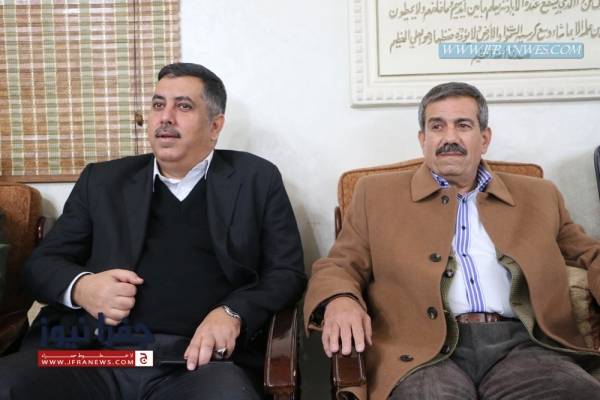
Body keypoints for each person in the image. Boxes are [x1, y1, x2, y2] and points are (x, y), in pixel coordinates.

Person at [0, 62, 306, 400]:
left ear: (215, 126)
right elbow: (40, 267)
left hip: (198, 364)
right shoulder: (102, 181)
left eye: (183, 106)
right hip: (94, 355)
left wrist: (233, 313)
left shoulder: (256, 179)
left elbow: (287, 273)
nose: (165, 117)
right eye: (158, 104)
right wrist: (84, 287)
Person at [304, 82, 600, 400]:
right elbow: (340, 264)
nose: (449, 138)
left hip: (524, 347)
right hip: (420, 352)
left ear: (484, 138)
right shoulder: (374, 195)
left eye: (463, 125)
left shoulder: (539, 195)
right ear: (423, 139)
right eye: (437, 126)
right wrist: (341, 299)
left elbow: (590, 253)